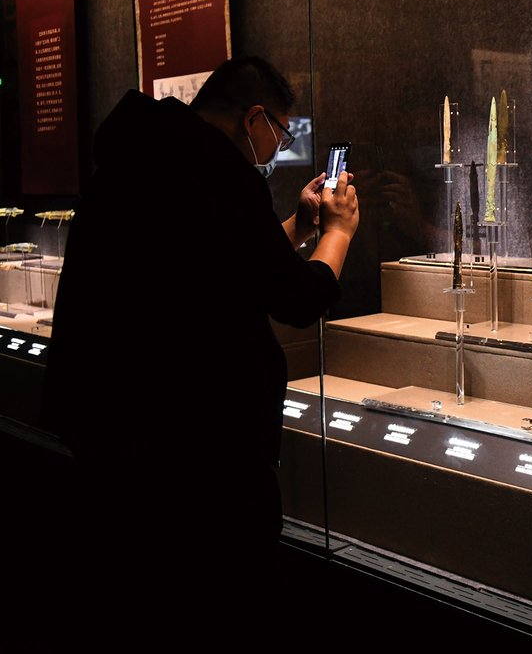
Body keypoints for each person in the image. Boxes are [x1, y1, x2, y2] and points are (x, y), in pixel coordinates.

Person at [38, 56, 358, 638]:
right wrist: (337, 235)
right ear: (254, 117)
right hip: (194, 458)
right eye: (280, 133)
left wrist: (298, 228)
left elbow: (214, 266)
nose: (277, 147)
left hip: (114, 434)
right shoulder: (218, 170)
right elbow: (292, 299)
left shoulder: (143, 154)